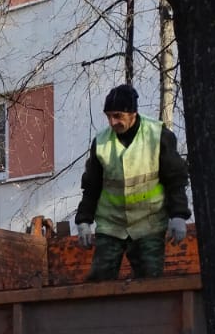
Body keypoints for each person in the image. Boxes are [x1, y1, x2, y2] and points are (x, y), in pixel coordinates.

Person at [74, 84, 192, 281]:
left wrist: (178, 215)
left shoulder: (157, 136)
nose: (112, 122)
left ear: (133, 113)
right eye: (109, 116)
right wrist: (83, 221)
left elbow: (175, 179)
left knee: (150, 282)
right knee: (99, 281)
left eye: (118, 116)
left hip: (149, 224)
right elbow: (91, 187)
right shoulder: (101, 143)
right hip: (111, 225)